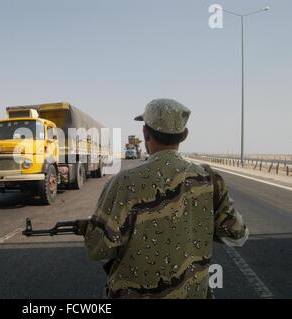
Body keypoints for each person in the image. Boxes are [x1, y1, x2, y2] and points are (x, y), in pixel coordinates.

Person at [78, 98, 249, 299]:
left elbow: (98, 249)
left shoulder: (123, 182)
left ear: (145, 133)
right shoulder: (209, 179)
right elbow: (237, 234)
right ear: (184, 135)